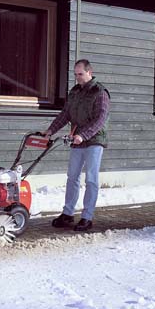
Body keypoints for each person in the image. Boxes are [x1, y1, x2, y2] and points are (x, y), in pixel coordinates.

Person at [42, 59, 110, 231]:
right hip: (77, 140)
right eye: (75, 74)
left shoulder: (100, 92)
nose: (77, 77)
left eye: (80, 74)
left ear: (89, 72)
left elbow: (100, 119)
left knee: (91, 179)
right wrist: (50, 130)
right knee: (72, 177)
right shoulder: (74, 92)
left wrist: (83, 135)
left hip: (94, 141)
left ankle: (87, 217)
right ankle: (68, 213)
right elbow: (65, 114)